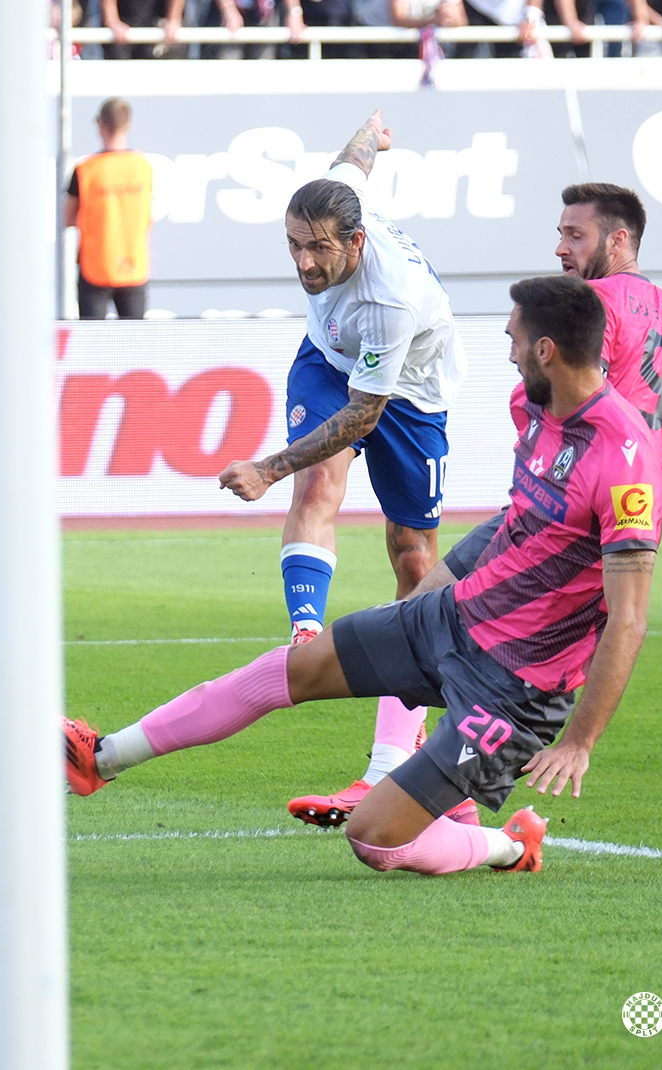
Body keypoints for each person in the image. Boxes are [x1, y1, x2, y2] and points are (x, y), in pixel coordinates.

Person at [67, 275, 662, 880]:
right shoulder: (534, 406)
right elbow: (515, 517)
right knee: (292, 669)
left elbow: (629, 616)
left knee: (374, 838)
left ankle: (510, 845)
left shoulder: (625, 463)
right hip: (454, 616)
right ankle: (103, 758)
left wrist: (579, 740)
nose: (507, 352)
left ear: (546, 351)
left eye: (514, 340)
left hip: (516, 688)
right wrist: (435, 588)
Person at [289, 182, 662, 828]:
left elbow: (551, 399)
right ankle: (392, 771)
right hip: (613, 517)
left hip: (569, 520)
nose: (561, 248)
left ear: (618, 239)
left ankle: (444, 798)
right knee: (425, 605)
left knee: (472, 646)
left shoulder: (584, 307)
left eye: (575, 235)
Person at [213, 111, 466, 827]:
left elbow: (362, 418)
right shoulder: (334, 198)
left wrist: (264, 466)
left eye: (318, 249)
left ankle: (388, 764)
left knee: (414, 563)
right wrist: (373, 135)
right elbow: (352, 161)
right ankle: (305, 635)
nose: (304, 264)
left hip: (408, 396)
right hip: (328, 362)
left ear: (356, 241)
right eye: (294, 246)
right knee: (321, 480)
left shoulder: (390, 297)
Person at [65, 98, 153, 321]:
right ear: (128, 126)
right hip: (134, 264)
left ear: (100, 124)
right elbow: (148, 216)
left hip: (96, 265)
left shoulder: (85, 170)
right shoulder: (143, 166)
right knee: (134, 343)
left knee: (93, 344)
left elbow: (68, 217)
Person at [101, 0, 187, 58]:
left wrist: (173, 19)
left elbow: (174, 21)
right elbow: (112, 20)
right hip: (123, 25)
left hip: (160, 24)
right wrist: (113, 20)